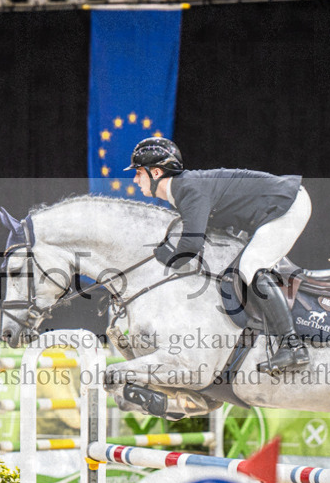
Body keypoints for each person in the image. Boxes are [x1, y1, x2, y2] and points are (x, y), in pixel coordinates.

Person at [126, 137, 313, 372]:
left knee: (251, 268)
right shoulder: (184, 190)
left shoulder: (188, 190)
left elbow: (191, 247)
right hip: (274, 209)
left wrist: (164, 257)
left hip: (288, 206)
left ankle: (293, 346)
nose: (134, 179)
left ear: (155, 173)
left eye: (138, 173)